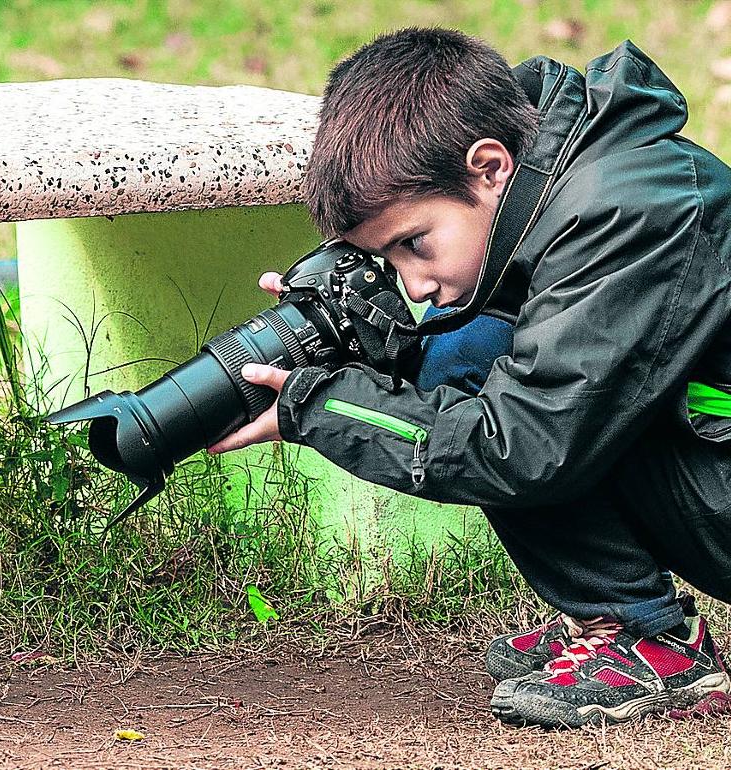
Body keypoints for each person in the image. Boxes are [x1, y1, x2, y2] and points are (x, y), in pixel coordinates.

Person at [207, 27, 731, 728]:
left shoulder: (630, 208)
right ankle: (617, 615)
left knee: (496, 391)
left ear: (489, 166)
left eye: (413, 245)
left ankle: (654, 642)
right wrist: (373, 340)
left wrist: (328, 407)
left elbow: (525, 444)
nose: (415, 283)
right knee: (459, 351)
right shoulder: (557, 172)